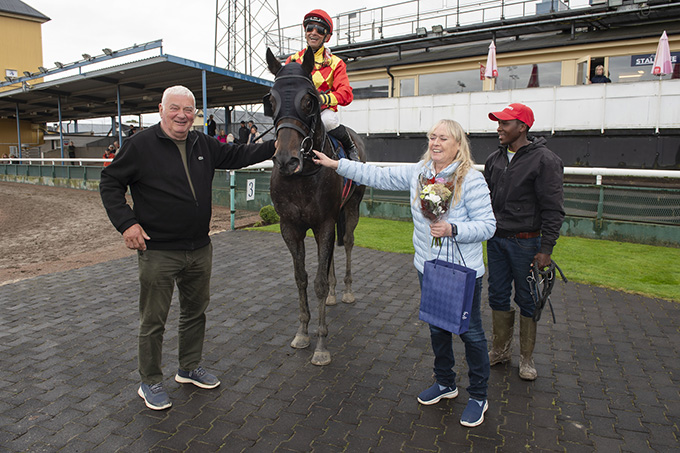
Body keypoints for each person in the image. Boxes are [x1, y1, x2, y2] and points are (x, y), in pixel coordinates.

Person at [99, 85, 276, 411]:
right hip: (158, 251)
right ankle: (150, 381)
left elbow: (238, 155)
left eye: (188, 109)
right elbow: (109, 182)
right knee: (153, 320)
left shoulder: (202, 143)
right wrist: (126, 223)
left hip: (199, 248)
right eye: (175, 108)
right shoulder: (140, 145)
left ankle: (188, 367)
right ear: (161, 109)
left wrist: (276, 146)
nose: (182, 115)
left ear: (195, 113)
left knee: (195, 313)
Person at [313, 119, 496, 427]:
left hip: (462, 272)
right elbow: (376, 175)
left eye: (443, 138)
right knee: (437, 327)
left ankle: (478, 395)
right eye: (432, 137)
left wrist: (454, 228)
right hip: (428, 266)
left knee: (470, 332)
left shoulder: (471, 181)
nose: (435, 143)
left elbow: (489, 226)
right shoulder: (420, 173)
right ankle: (445, 383)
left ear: (458, 144)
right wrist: (336, 164)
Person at [484, 103, 565, 381]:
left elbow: (553, 209)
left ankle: (526, 359)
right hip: (496, 241)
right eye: (498, 122)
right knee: (496, 295)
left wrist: (546, 249)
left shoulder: (545, 160)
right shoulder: (494, 159)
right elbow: (485, 201)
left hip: (527, 244)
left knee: (527, 299)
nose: (499, 128)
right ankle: (500, 350)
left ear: (522, 127)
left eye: (505, 123)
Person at [286, 9, 360, 161]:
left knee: (329, 121)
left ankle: (350, 148)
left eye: (319, 30)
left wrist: (323, 99)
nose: (313, 32)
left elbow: (346, 94)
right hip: (298, 111)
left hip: (322, 112)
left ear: (327, 36)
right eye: (309, 28)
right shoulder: (292, 60)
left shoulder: (336, 63)